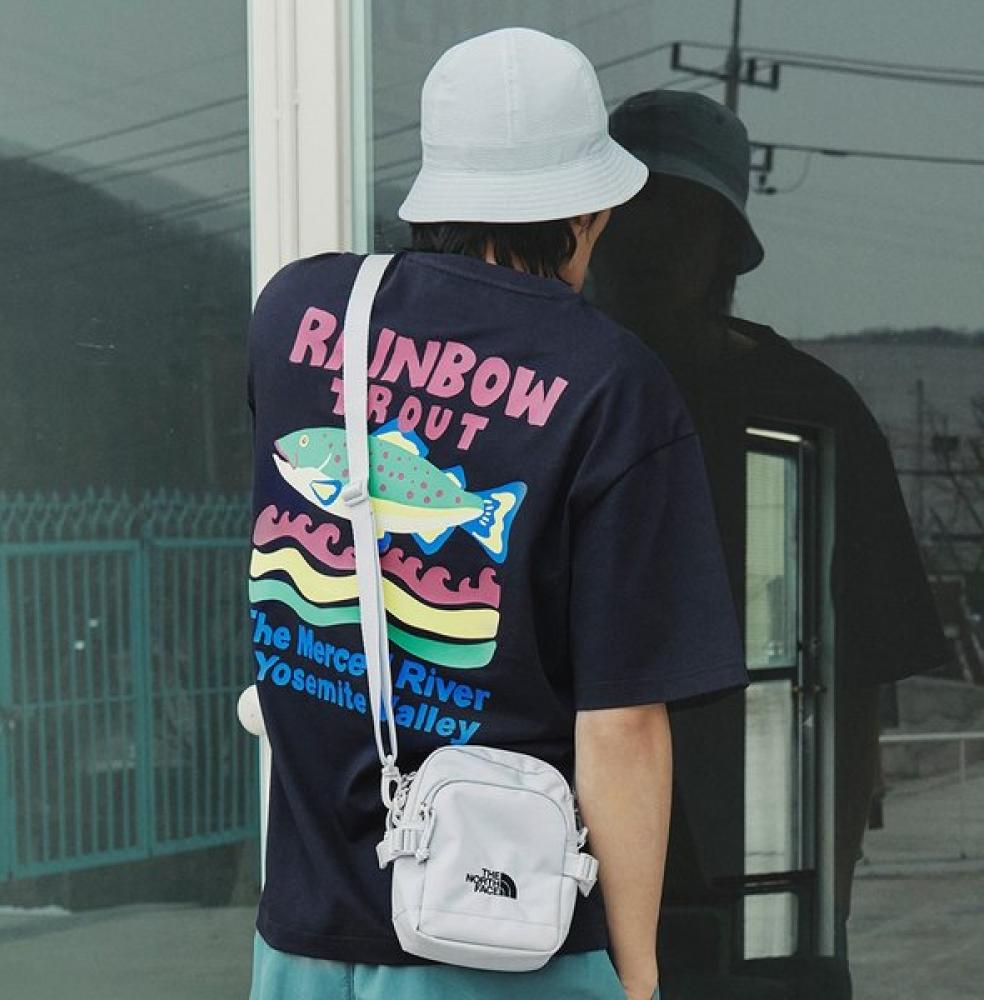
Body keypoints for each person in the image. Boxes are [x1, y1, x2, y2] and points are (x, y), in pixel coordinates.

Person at [246, 31, 747, 1000]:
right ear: (591, 211)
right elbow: (621, 725)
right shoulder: (612, 383)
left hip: (304, 939)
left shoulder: (300, 315)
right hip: (508, 948)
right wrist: (639, 977)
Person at [592, 90, 948, 997]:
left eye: (678, 215)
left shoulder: (808, 414)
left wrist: (821, 911)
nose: (647, 239)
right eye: (627, 209)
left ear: (724, 245)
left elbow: (857, 682)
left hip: (750, 875)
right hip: (559, 873)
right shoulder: (538, 399)